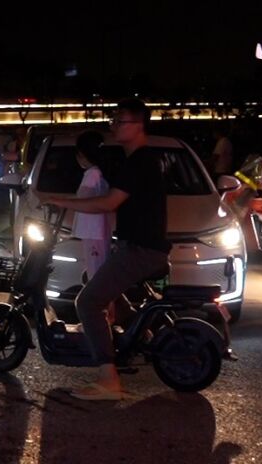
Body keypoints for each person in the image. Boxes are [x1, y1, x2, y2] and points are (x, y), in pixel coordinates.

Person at [40, 99, 171, 401]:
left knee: (87, 302)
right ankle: (139, 337)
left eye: (120, 121)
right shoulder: (137, 160)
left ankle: (109, 379)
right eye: (114, 120)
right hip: (137, 246)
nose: (114, 125)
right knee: (104, 291)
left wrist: (59, 201)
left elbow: (107, 203)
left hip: (140, 249)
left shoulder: (140, 161)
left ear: (139, 126)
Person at [70, 130, 111, 280]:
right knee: (97, 269)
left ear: (82, 154)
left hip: (93, 230)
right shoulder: (99, 173)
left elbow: (84, 199)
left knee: (96, 271)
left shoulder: (93, 174)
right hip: (96, 229)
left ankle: (98, 302)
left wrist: (61, 202)